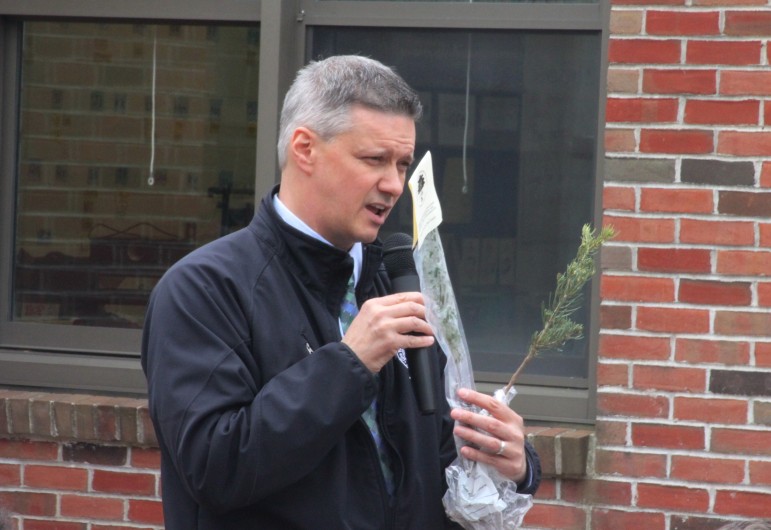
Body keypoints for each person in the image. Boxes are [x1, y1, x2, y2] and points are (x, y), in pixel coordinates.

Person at [142, 54, 540, 530]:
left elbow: (435, 458)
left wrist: (509, 460)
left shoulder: (396, 279)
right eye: (374, 160)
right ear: (305, 148)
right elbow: (214, 468)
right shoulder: (203, 289)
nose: (393, 185)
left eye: (403, 164)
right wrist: (349, 364)